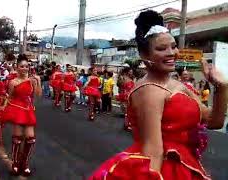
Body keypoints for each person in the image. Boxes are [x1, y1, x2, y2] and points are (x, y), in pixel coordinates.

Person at [89, 10, 228, 180]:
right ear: (144, 55)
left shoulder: (180, 86)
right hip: (166, 169)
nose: (171, 53)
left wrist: (222, 87)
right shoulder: (149, 91)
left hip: (186, 165)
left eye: (174, 46)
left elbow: (214, 121)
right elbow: (152, 151)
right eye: (162, 48)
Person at [0, 54, 42, 176]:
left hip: (28, 109)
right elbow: (10, 97)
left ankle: (25, 163)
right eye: (22, 66)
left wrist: (38, 81)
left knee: (30, 138)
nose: (25, 68)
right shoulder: (13, 82)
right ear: (17, 67)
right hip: (17, 110)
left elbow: (38, 95)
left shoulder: (32, 80)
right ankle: (15, 163)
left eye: (26, 66)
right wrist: (4, 106)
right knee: (17, 138)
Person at [116, 67, 135, 131]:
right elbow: (119, 86)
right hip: (125, 96)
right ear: (127, 72)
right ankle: (127, 125)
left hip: (131, 95)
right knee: (127, 111)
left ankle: (126, 124)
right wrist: (121, 95)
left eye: (132, 72)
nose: (131, 73)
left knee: (130, 111)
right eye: (130, 71)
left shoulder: (132, 78)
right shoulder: (122, 78)